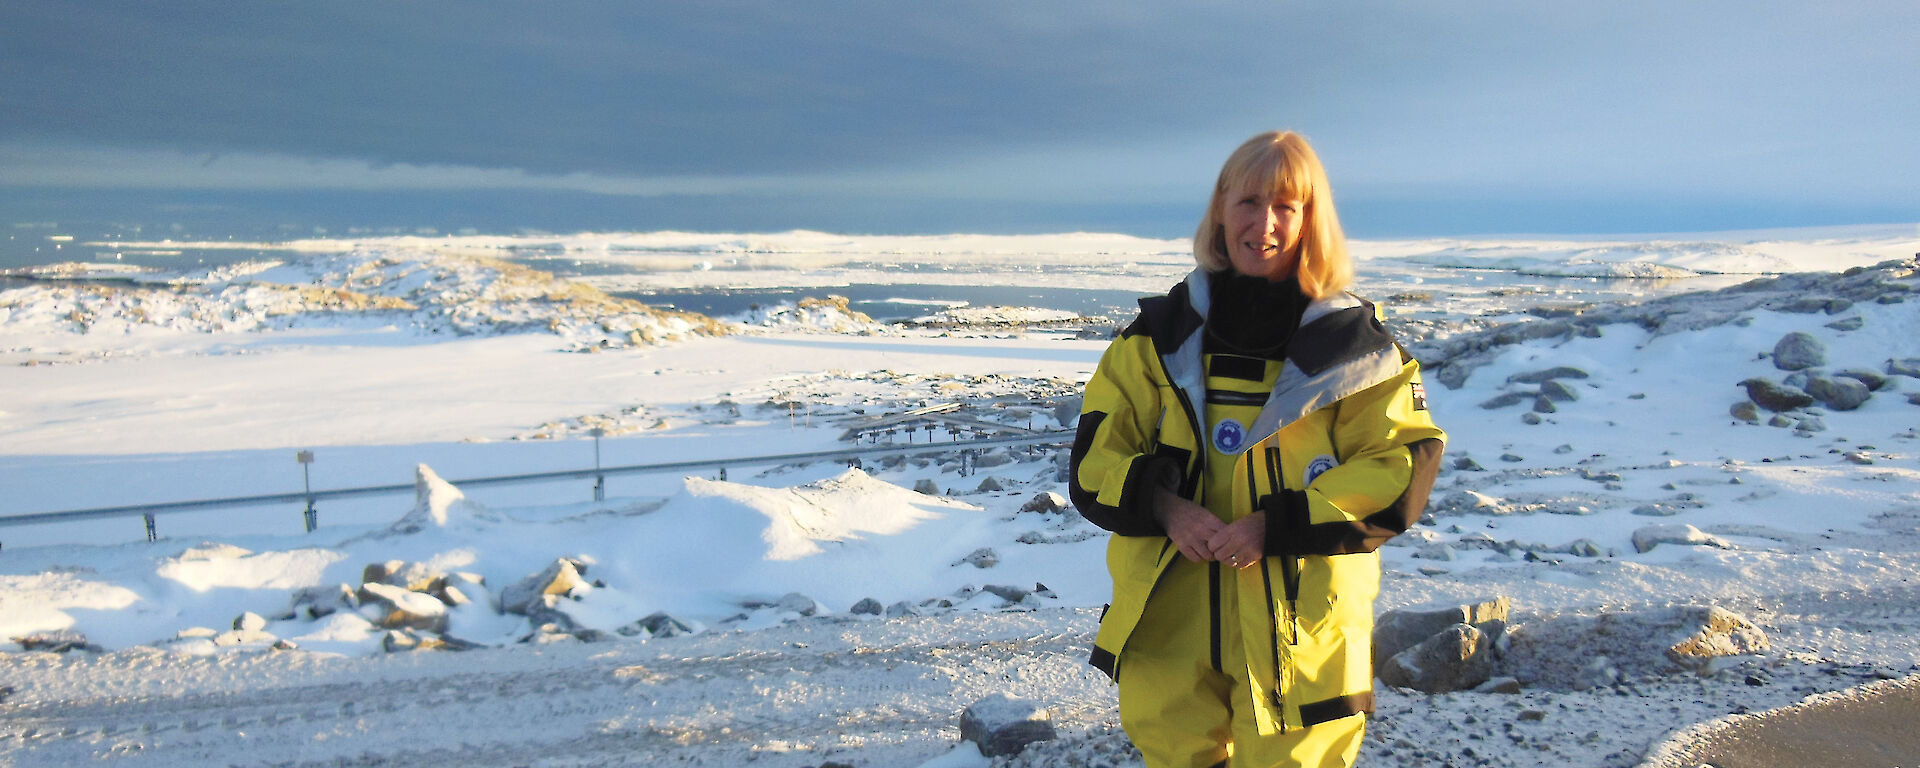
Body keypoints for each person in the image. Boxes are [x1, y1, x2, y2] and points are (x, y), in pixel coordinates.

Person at [1069, 131, 1446, 768]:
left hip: (1298, 635)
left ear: (1310, 220)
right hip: (1169, 621)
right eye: (1247, 201)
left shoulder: (1357, 352)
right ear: (1220, 211)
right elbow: (1095, 460)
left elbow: (1398, 468)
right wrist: (1166, 508)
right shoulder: (1155, 339)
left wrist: (1276, 526)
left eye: (1285, 206)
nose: (1263, 223)